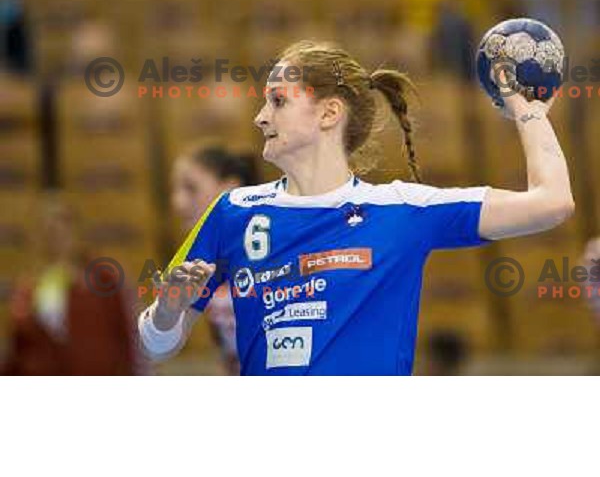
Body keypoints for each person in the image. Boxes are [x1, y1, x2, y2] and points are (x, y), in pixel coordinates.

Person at [138, 40, 575, 376]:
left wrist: (529, 111)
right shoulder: (232, 211)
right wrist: (169, 309)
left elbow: (552, 203)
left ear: (329, 113)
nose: (259, 117)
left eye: (277, 100)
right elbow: (154, 345)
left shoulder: (402, 209)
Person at [2, 194, 140, 375]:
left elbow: (128, 337)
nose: (58, 238)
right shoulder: (28, 288)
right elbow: (18, 349)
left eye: (64, 227)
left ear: (78, 231)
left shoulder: (105, 278)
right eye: (50, 231)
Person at [170, 143, 259, 374]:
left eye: (191, 189)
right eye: (175, 190)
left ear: (230, 189)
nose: (178, 202)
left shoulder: (267, 252)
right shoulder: (208, 262)